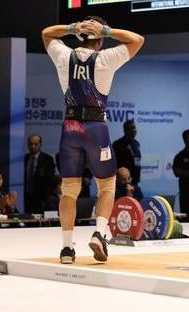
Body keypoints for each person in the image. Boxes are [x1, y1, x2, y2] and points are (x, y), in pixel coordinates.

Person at [42, 16, 144, 264]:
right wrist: (108, 31)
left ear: (79, 36)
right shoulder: (105, 59)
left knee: (69, 191)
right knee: (107, 186)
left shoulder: (64, 56)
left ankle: (67, 249)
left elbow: (46, 33)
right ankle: (99, 233)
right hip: (96, 127)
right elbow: (138, 40)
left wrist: (70, 28)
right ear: (100, 40)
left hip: (71, 127)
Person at [24, 135, 56, 214]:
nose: (33, 146)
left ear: (40, 144)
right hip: (27, 197)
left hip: (42, 199)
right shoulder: (25, 158)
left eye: (35, 144)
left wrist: (45, 199)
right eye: (30, 144)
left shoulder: (47, 159)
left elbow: (50, 180)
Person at [112, 120, 141, 186]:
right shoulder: (118, 144)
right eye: (131, 128)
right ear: (125, 130)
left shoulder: (137, 144)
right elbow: (113, 164)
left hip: (134, 181)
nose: (134, 130)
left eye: (134, 128)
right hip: (122, 182)